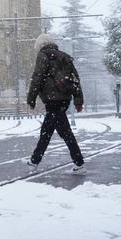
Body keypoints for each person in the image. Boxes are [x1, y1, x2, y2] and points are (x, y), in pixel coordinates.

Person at [26, 33, 86, 174]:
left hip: (52, 100)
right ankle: (79, 163)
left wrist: (31, 98)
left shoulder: (43, 56)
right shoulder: (64, 56)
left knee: (47, 133)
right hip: (64, 99)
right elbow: (75, 79)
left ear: (40, 45)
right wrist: (78, 100)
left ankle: (34, 161)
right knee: (63, 132)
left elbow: (37, 78)